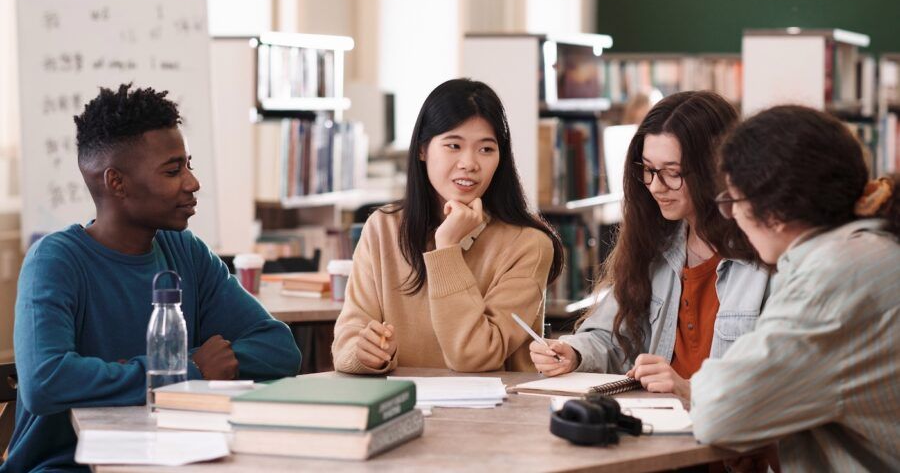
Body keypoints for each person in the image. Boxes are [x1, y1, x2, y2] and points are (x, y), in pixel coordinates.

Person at [2, 84, 301, 473]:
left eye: (188, 165)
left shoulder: (186, 252)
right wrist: (188, 372)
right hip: (65, 466)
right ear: (117, 183)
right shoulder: (56, 260)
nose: (192, 183)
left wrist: (198, 368)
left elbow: (279, 348)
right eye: (173, 170)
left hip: (174, 458)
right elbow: (47, 382)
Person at [691, 105, 900, 471]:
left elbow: (718, 410)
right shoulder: (872, 251)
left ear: (772, 210)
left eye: (732, 201)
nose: (733, 216)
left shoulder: (833, 276)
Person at [530, 91, 771, 402]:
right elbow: (612, 337)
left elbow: (776, 385)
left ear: (715, 169)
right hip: (658, 428)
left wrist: (689, 390)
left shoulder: (765, 257)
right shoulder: (655, 243)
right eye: (647, 169)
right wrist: (573, 352)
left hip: (728, 438)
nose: (656, 186)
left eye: (672, 173)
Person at [331, 79, 563, 374]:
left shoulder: (528, 244)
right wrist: (364, 353)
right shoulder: (383, 228)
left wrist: (447, 249)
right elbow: (347, 343)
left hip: (497, 414)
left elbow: (474, 356)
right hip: (402, 403)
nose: (469, 163)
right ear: (422, 150)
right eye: (454, 145)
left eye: (486, 149)